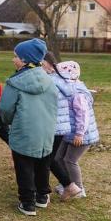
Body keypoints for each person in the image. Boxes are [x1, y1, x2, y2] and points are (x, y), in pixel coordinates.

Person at [0, 38, 68, 216]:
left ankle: (27, 202)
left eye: (16, 56)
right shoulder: (50, 81)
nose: (13, 59)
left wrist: (8, 120)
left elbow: (5, 109)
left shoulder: (15, 82)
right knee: (42, 163)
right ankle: (42, 196)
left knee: (24, 166)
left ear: (25, 59)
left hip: (24, 131)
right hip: (46, 132)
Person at [52, 61, 98, 199]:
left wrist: (80, 133)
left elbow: (82, 115)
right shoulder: (69, 89)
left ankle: (79, 188)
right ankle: (66, 184)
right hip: (69, 133)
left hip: (81, 135)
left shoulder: (77, 93)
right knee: (58, 158)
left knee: (70, 160)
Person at [42, 52, 84, 200]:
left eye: (42, 63)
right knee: (49, 159)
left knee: (47, 159)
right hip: (60, 127)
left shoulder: (50, 80)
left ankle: (67, 187)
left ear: (48, 63)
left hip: (53, 126)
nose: (40, 67)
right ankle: (67, 187)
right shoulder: (61, 79)